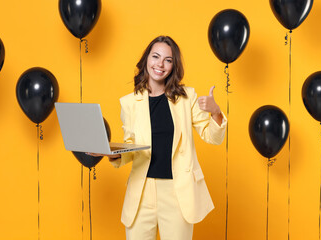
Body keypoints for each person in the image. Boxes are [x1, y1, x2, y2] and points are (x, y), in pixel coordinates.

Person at [88, 35, 227, 240]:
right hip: (141, 191)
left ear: (173, 65)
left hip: (178, 192)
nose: (160, 64)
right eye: (155, 56)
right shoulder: (129, 103)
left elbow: (212, 136)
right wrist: (112, 154)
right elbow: (132, 146)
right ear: (146, 60)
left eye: (168, 60)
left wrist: (215, 112)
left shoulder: (187, 98)